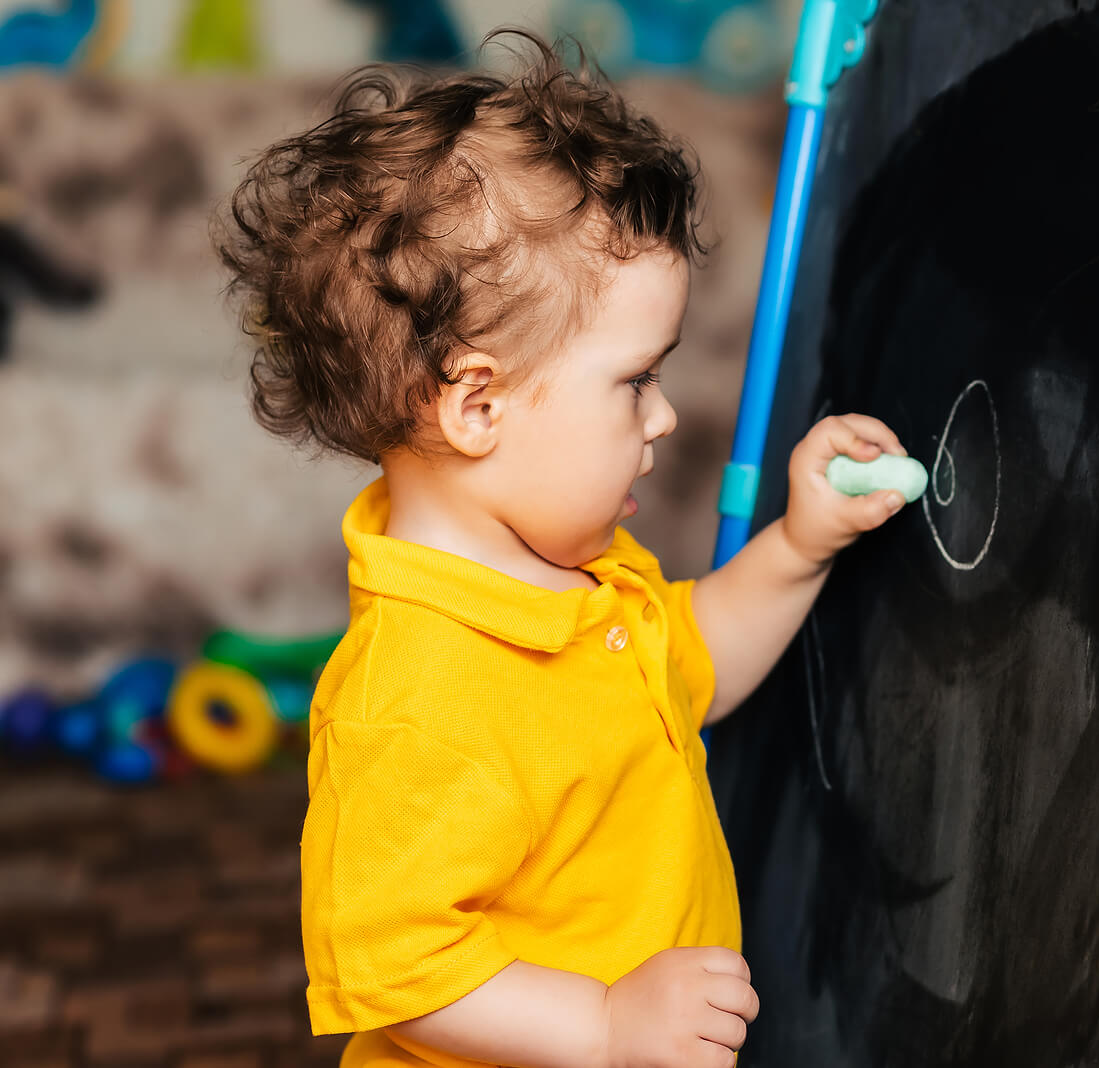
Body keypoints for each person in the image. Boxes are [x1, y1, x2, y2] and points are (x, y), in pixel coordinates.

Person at [217, 31, 908, 1068]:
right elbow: (396, 968)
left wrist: (800, 546)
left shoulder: (578, 572)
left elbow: (692, 666)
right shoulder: (417, 700)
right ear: (479, 405)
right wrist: (603, 1025)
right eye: (634, 380)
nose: (664, 417)